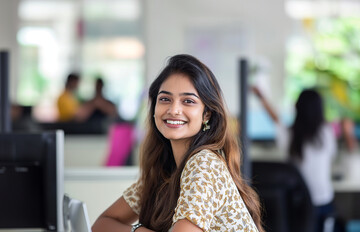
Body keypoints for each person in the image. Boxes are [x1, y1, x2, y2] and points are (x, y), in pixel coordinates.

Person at [92, 54, 263, 232]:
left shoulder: (204, 164)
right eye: (165, 99)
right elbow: (102, 224)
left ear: (207, 114)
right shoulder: (165, 170)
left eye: (188, 101)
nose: (173, 110)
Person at [252, 87, 337, 232]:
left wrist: (261, 97)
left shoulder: (291, 136)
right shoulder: (326, 133)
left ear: (297, 108)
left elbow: (276, 120)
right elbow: (331, 156)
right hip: (323, 201)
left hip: (300, 203)